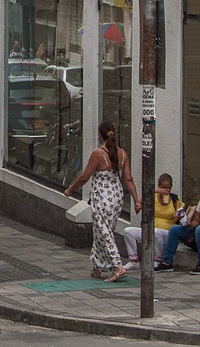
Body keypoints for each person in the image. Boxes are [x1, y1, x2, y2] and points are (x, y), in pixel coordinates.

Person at [63, 120, 140, 282]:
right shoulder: (123, 154)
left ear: (100, 135)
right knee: (103, 230)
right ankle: (96, 267)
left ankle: (118, 266)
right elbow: (129, 179)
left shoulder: (98, 154)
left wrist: (70, 189)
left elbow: (84, 176)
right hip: (117, 197)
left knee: (104, 232)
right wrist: (136, 200)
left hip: (101, 197)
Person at [124, 173, 183, 269]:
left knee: (156, 232)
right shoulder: (152, 197)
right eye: (162, 187)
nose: (165, 190)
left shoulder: (175, 199)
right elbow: (137, 209)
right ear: (158, 187)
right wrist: (152, 192)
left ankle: (157, 259)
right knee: (128, 231)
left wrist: (180, 215)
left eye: (168, 188)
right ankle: (133, 260)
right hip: (150, 230)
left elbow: (181, 217)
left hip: (166, 233)